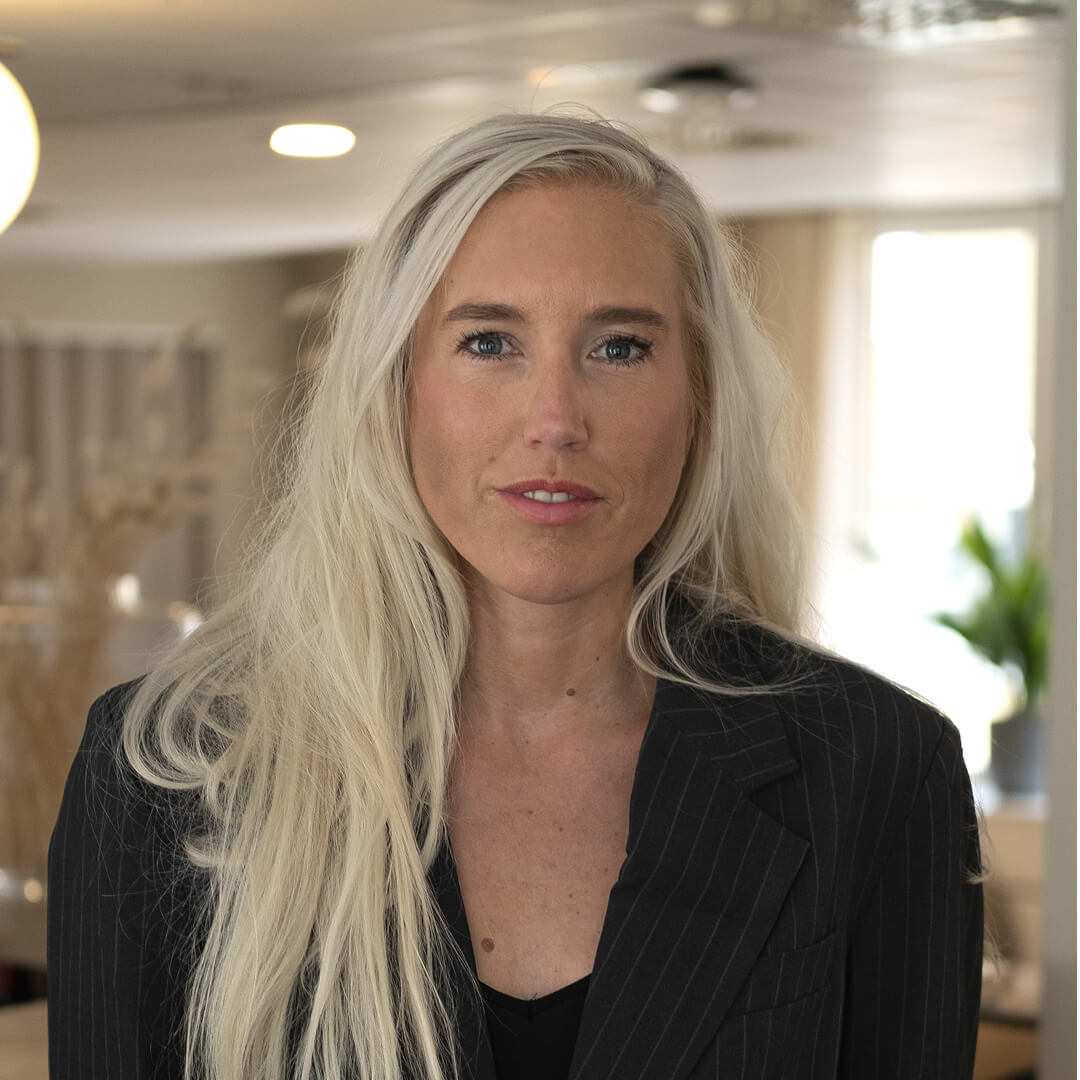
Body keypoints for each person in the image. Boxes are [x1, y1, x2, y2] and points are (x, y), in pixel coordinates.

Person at [47, 112, 983, 1080]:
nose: (555, 420)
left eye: (619, 348)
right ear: (395, 383)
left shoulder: (874, 770)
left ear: (699, 394)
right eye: (491, 341)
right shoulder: (166, 771)